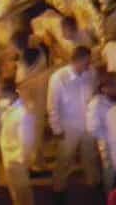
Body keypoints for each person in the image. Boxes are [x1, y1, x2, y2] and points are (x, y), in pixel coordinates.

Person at [47, 46, 98, 193]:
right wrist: (57, 129)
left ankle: (93, 183)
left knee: (91, 156)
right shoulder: (58, 78)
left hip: (88, 124)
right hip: (68, 127)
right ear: (76, 61)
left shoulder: (91, 73)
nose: (89, 65)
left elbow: (94, 95)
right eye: (86, 62)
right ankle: (59, 186)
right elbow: (52, 107)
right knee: (64, 159)